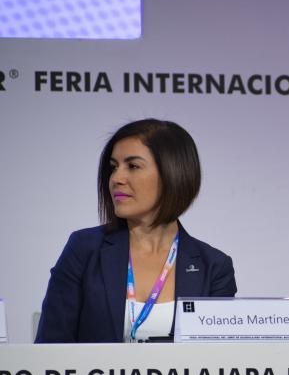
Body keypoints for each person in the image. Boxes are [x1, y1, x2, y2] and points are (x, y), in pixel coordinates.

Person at [35, 119, 237, 343]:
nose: (116, 178)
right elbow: (50, 348)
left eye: (133, 166)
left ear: (173, 174)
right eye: (114, 167)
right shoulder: (83, 249)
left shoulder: (214, 267)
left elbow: (217, 360)